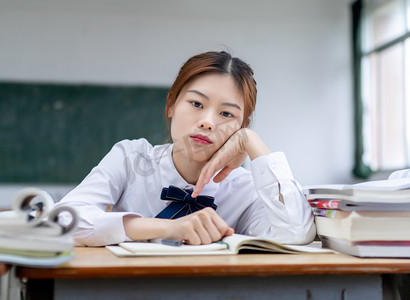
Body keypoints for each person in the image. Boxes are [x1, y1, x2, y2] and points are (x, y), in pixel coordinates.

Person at [55, 51, 316, 246]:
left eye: (227, 113)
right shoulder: (131, 158)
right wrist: (166, 228)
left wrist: (252, 142)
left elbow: (296, 232)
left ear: (241, 126)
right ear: (171, 104)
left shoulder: (246, 189)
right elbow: (62, 220)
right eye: (197, 104)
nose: (208, 121)